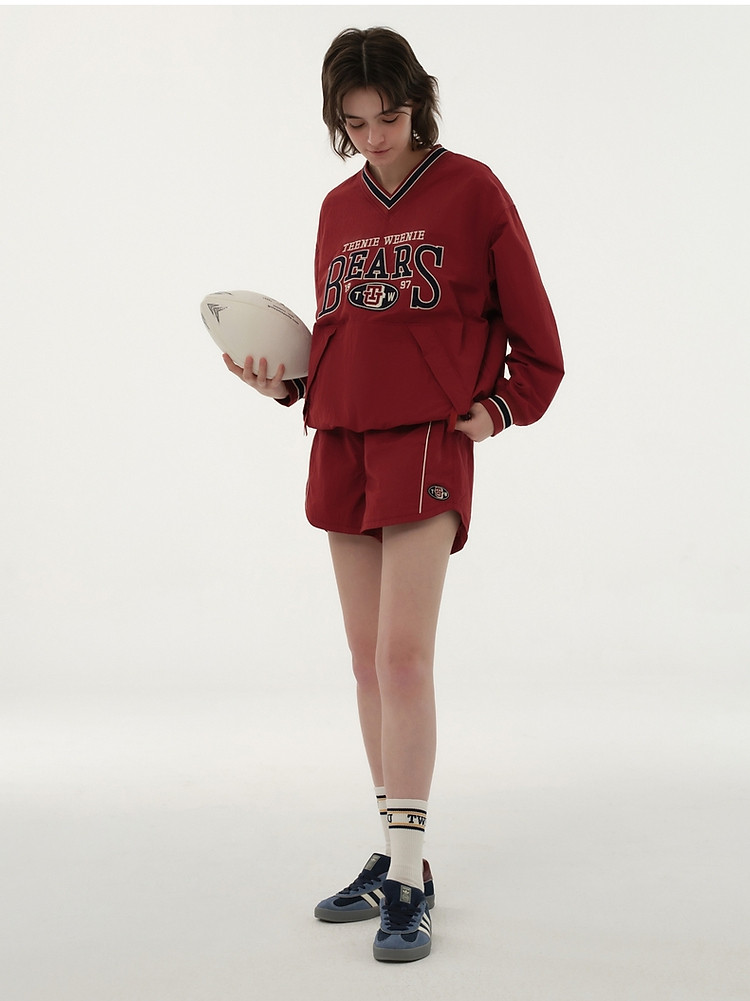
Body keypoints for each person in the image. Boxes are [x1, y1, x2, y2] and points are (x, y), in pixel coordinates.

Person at [223, 26, 564, 963]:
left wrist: (499, 410)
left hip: (425, 441)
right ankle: (391, 847)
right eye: (355, 122)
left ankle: (409, 877)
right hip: (341, 440)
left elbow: (540, 343)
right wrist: (285, 384)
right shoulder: (337, 208)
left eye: (389, 116)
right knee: (367, 664)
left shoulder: (473, 190)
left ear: (419, 102)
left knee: (404, 659)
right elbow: (344, 339)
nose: (373, 137)